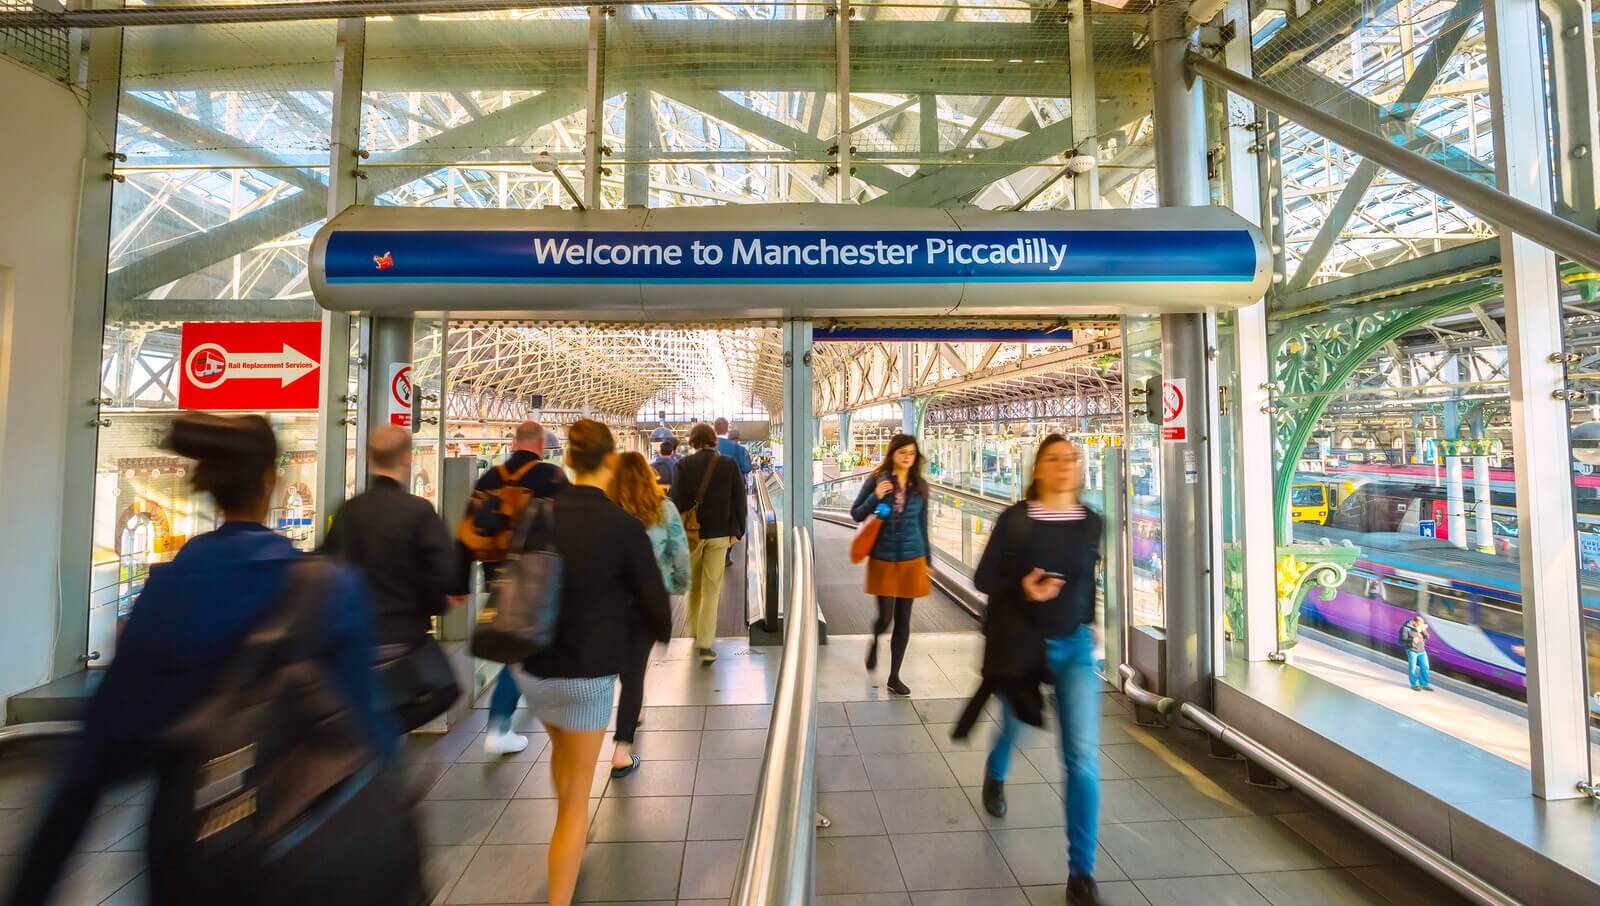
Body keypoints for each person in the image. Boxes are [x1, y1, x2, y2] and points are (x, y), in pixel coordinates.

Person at [4, 414, 404, 906]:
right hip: (307, 844)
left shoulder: (166, 593)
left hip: (190, 850)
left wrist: (31, 888)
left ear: (209, 487)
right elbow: (372, 735)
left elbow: (92, 765)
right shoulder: (330, 589)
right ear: (270, 482)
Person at [521, 420, 672, 906]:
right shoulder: (623, 526)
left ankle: (566, 830)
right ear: (609, 461)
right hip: (585, 677)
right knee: (575, 802)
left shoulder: (537, 514)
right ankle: (560, 892)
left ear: (567, 460)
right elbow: (655, 602)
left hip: (532, 670)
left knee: (563, 755)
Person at [969, 435, 1104, 906]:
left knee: (1082, 757)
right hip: (1023, 646)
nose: (1066, 466)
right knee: (1013, 724)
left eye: (1072, 459)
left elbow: (1088, 582)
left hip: (1074, 648)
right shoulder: (1017, 520)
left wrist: (1091, 623)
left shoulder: (1092, 523)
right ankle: (995, 770)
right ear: (1038, 469)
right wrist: (1023, 587)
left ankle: (1080, 873)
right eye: (1054, 459)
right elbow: (983, 578)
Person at [322, 425, 459, 732]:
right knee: (445, 690)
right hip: (405, 637)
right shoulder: (419, 512)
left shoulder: (348, 512)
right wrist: (432, 605)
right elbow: (444, 574)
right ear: (407, 458)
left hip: (355, 639)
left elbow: (326, 568)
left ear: (370, 457)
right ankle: (384, 733)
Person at [455, 420, 567, 755]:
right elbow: (573, 523)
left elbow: (466, 534)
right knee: (523, 648)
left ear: (514, 442)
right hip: (540, 575)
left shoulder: (490, 479)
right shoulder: (551, 477)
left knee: (519, 640)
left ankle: (526, 699)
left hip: (498, 575)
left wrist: (459, 582)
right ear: (542, 446)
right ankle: (501, 723)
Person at [607, 451, 692, 777]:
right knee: (634, 673)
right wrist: (681, 583)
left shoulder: (608, 510)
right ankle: (622, 749)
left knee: (624, 670)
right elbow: (679, 550)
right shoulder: (662, 508)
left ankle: (630, 709)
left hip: (609, 600)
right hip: (648, 598)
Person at [850, 433, 932, 697]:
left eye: (912, 453)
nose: (908, 457)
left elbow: (923, 524)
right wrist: (875, 496)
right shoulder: (877, 480)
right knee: (885, 617)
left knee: (904, 619)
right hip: (883, 558)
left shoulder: (920, 486)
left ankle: (895, 676)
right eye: (902, 453)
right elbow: (856, 513)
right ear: (892, 454)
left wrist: (928, 559)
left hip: (912, 558)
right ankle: (875, 640)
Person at [670, 422, 747, 664]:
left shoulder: (683, 465)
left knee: (694, 588)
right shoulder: (728, 464)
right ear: (714, 439)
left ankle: (694, 633)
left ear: (692, 441)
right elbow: (739, 499)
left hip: (692, 535)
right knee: (712, 590)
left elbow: (676, 501)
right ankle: (705, 643)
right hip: (719, 535)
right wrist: (738, 532)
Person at [714, 417, 753, 485]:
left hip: (712, 488)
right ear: (727, 429)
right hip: (734, 488)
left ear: (714, 429)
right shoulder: (739, 449)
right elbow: (747, 468)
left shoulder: (707, 447)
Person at [1401, 613, 1434, 691]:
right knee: (1412, 667)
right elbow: (1402, 640)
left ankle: (1424, 684)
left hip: (1422, 650)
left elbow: (1427, 637)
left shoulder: (1420, 628)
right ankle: (1414, 684)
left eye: (1421, 625)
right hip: (1412, 651)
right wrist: (1411, 640)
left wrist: (1424, 630)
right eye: (1419, 625)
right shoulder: (1406, 628)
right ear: (1414, 623)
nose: (1420, 627)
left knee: (1425, 666)